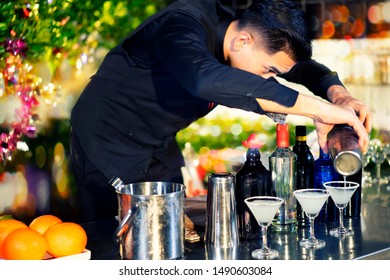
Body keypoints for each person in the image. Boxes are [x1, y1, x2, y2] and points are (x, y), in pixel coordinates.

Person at [70, 0, 371, 222]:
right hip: (106, 143)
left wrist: (338, 95)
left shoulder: (243, 36)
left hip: (157, 145)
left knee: (171, 237)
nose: (270, 79)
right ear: (243, 41)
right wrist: (317, 111)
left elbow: (302, 70)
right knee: (119, 242)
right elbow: (204, 79)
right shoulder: (181, 25)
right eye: (268, 71)